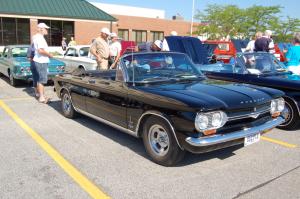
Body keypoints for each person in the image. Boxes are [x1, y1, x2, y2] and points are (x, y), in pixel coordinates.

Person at [32, 23, 53, 103]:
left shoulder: (36, 37)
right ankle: (41, 97)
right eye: (45, 29)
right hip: (41, 61)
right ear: (41, 29)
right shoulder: (40, 38)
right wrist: (49, 55)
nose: (47, 30)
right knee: (42, 80)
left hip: (38, 60)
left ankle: (42, 95)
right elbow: (40, 50)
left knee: (40, 79)